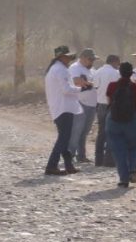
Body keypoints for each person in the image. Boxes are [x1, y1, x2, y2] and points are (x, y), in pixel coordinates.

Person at [43, 45, 86, 176]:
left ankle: (68, 165)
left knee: (64, 138)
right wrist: (82, 89)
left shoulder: (54, 69)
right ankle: (51, 165)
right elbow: (66, 90)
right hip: (64, 108)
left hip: (59, 107)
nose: (69, 59)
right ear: (62, 57)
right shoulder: (60, 70)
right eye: (67, 56)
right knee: (63, 139)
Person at [105, 62, 136, 187]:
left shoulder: (111, 86)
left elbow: (109, 103)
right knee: (133, 147)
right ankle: (133, 170)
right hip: (132, 121)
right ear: (131, 73)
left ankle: (123, 179)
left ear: (120, 72)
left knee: (118, 150)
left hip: (114, 121)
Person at [67, 48, 98, 164]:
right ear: (83, 58)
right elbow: (76, 81)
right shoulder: (75, 68)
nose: (92, 62)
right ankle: (70, 155)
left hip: (91, 103)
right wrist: (89, 84)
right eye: (91, 59)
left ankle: (81, 155)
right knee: (76, 131)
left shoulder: (92, 70)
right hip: (79, 102)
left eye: (93, 60)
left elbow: (96, 82)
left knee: (84, 131)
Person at [92, 54, 121, 166]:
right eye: (118, 64)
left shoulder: (98, 71)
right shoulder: (116, 73)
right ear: (114, 62)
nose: (118, 66)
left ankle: (98, 160)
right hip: (112, 105)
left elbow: (95, 86)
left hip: (100, 105)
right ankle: (109, 160)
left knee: (101, 132)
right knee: (111, 132)